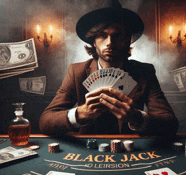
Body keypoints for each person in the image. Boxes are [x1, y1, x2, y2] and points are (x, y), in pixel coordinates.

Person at [39, 0, 178, 135]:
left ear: (127, 40)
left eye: (118, 36)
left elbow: (171, 124)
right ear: (93, 41)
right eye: (102, 35)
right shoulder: (76, 72)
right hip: (87, 150)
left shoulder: (144, 72)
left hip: (129, 151)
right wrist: (79, 113)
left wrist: (136, 117)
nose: (109, 43)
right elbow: (45, 121)